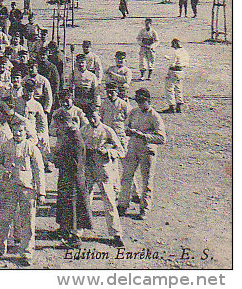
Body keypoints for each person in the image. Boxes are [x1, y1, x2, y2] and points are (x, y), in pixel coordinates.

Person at [0, 115, 45, 267]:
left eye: (20, 131)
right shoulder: (6, 145)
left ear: (26, 132)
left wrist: (41, 192)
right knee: (5, 218)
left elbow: (39, 170)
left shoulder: (31, 148)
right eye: (15, 131)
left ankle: (26, 252)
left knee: (27, 221)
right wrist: (3, 170)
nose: (18, 134)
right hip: (9, 188)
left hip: (27, 189)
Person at [118, 88, 166, 219]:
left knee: (147, 181)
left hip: (147, 150)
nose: (139, 104)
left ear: (148, 101)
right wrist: (128, 131)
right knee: (126, 176)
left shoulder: (155, 116)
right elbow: (125, 125)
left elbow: (162, 138)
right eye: (138, 101)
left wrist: (144, 136)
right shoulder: (134, 112)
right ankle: (122, 204)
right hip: (132, 147)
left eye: (142, 101)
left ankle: (145, 208)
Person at [81, 107, 125, 247]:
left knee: (109, 200)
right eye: (90, 118)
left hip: (103, 169)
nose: (93, 120)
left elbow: (121, 151)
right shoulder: (84, 130)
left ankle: (116, 233)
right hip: (88, 169)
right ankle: (78, 232)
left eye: (95, 116)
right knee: (85, 199)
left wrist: (108, 151)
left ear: (99, 115)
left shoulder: (107, 130)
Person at [53, 110, 92, 248]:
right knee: (67, 205)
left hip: (74, 179)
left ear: (64, 122)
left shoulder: (75, 138)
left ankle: (75, 238)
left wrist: (56, 160)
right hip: (68, 177)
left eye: (59, 124)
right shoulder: (69, 134)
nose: (58, 127)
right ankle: (65, 230)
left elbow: (74, 164)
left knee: (75, 208)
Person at [162, 38, 190, 114]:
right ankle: (179, 106)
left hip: (174, 71)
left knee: (169, 88)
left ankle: (172, 106)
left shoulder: (175, 52)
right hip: (181, 71)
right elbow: (187, 63)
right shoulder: (184, 52)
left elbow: (172, 63)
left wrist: (167, 59)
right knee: (179, 88)